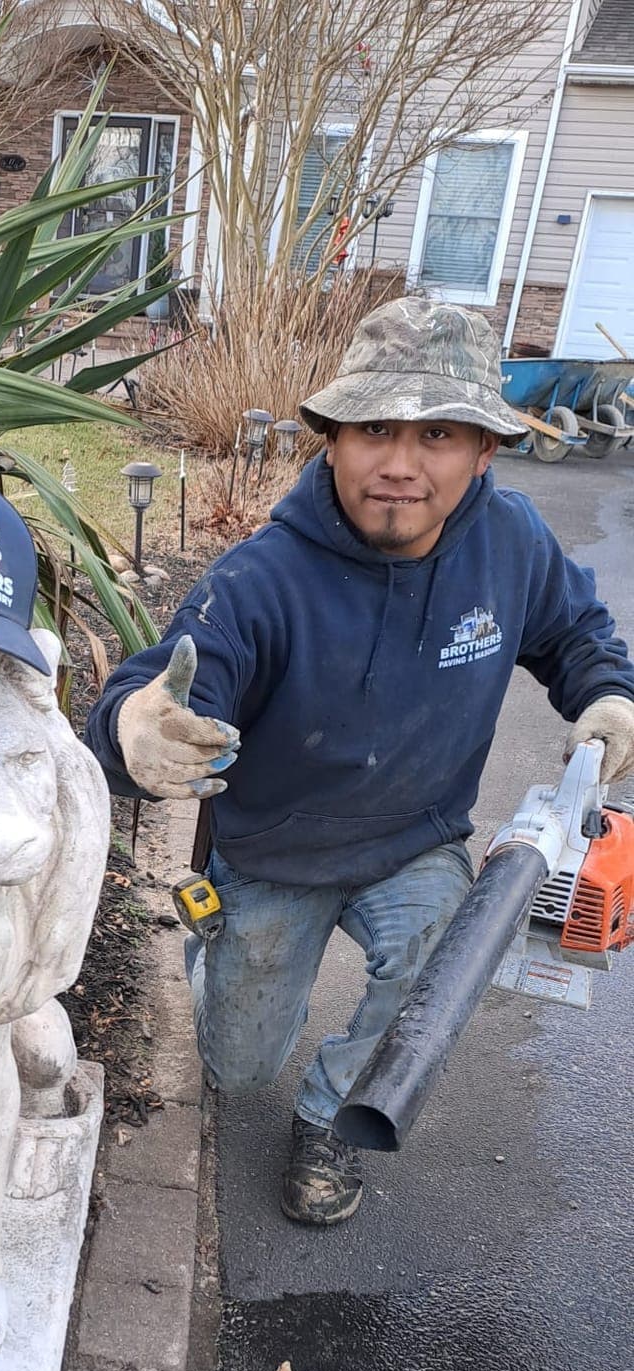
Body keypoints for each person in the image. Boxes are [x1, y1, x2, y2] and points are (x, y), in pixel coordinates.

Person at [84, 297, 634, 1226]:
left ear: (485, 451)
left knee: (438, 961)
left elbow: (576, 631)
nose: (400, 465)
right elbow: (174, 685)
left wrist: (607, 696)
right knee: (238, 1071)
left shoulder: (513, 544)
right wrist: (137, 724)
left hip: (415, 841)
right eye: (374, 429)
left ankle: (330, 1115)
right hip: (275, 855)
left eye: (439, 434)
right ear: (331, 439)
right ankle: (216, 958)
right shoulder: (262, 579)